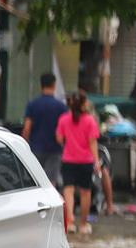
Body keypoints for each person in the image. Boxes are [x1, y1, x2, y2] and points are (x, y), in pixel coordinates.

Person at [56, 90, 99, 235]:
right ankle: (83, 224)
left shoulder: (63, 119)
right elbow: (92, 143)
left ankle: (70, 223)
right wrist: (97, 161)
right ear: (83, 104)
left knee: (68, 191)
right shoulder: (90, 120)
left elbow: (59, 139)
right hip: (86, 161)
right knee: (85, 193)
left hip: (68, 160)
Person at [22, 72, 66, 186]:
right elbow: (64, 131)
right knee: (51, 183)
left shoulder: (32, 104)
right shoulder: (61, 107)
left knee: (34, 182)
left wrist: (25, 145)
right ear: (54, 85)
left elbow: (27, 128)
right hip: (54, 150)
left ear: (41, 85)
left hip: (36, 149)